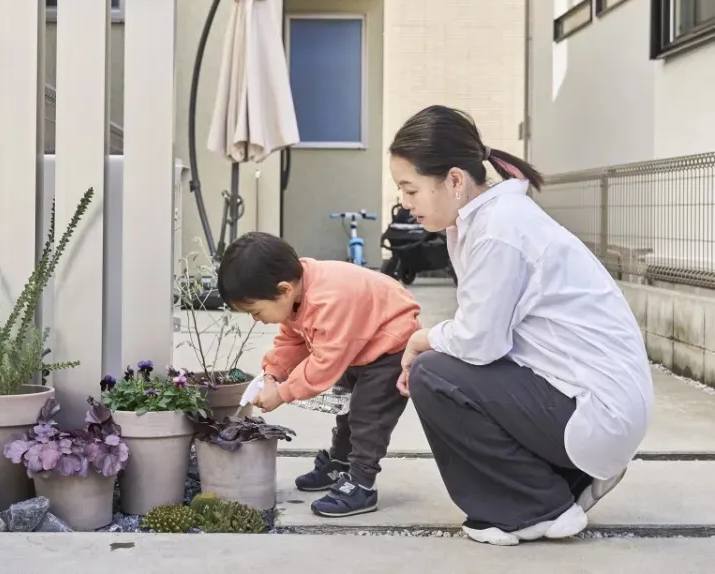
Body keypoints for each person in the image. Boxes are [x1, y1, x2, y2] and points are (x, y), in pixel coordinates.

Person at [388, 105, 654, 546]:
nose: (404, 202)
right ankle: (567, 481)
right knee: (448, 366)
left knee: (433, 373)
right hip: (602, 407)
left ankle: (533, 509)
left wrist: (421, 338)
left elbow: (478, 344)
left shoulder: (498, 229)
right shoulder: (488, 220)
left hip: (594, 412)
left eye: (410, 189)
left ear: (454, 181)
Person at [217, 231, 421, 517]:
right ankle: (340, 464)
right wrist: (273, 372)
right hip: (359, 345)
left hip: (390, 349)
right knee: (348, 409)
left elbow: (324, 365)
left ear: (284, 289)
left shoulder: (329, 301)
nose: (255, 318)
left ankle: (362, 484)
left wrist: (282, 393)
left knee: (367, 417)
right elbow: (292, 340)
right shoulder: (296, 295)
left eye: (254, 310)